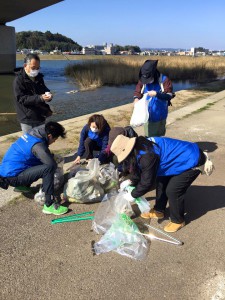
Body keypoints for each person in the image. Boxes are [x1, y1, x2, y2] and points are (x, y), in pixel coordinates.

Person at [110, 134, 214, 232]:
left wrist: (133, 195)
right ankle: (159, 210)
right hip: (176, 160)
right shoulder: (140, 146)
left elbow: (147, 182)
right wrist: (130, 181)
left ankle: (178, 220)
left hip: (192, 160)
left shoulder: (146, 155)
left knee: (173, 190)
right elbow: (142, 170)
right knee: (161, 182)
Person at [0, 122, 68, 215]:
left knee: (41, 161)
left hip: (7, 170)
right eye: (55, 139)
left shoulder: (33, 133)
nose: (54, 141)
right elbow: (50, 165)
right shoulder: (38, 145)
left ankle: (22, 186)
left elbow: (36, 155)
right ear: (49, 135)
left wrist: (51, 156)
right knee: (48, 168)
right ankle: (49, 205)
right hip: (12, 177)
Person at [13, 53, 53, 134]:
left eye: (38, 68)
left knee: (41, 140)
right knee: (31, 143)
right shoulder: (18, 80)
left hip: (40, 116)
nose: (36, 70)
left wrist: (49, 95)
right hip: (27, 118)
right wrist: (40, 98)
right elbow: (21, 98)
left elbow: (44, 90)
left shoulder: (39, 77)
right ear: (25, 66)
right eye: (33, 68)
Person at [133, 60, 175, 137]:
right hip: (148, 115)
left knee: (160, 135)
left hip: (161, 113)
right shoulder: (143, 79)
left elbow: (169, 96)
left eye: (148, 80)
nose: (147, 82)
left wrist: (157, 94)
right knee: (150, 137)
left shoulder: (164, 80)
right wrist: (136, 98)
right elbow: (138, 90)